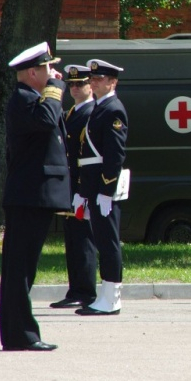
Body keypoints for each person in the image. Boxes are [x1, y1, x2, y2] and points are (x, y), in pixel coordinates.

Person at [0, 42, 70, 351]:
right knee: (19, 269)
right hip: (28, 196)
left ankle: (21, 334)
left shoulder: (31, 98)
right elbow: (46, 120)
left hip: (32, 196)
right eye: (46, 68)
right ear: (32, 72)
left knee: (23, 268)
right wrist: (55, 87)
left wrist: (51, 88)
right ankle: (21, 335)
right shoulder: (24, 100)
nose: (52, 72)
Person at [74, 58, 129, 316]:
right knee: (102, 241)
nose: (93, 82)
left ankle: (112, 298)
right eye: (92, 79)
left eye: (98, 79)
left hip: (104, 188)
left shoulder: (113, 109)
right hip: (94, 185)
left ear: (112, 82)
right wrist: (84, 193)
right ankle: (105, 296)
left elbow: (114, 155)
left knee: (108, 242)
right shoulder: (99, 107)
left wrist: (106, 191)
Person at [49, 65, 98, 309]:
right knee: (72, 240)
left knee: (84, 241)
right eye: (72, 84)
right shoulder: (70, 113)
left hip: (83, 186)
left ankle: (87, 292)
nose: (75, 88)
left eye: (81, 84)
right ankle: (75, 289)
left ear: (91, 86)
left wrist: (83, 189)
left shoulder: (92, 113)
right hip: (70, 186)